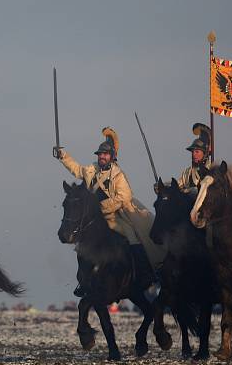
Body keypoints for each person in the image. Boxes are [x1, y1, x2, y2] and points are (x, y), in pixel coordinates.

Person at [53, 127, 163, 296]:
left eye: (105, 154)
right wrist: (63, 156)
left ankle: (145, 271)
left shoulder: (118, 175)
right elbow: (76, 169)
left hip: (117, 214)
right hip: (97, 217)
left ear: (112, 156)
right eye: (100, 154)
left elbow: (125, 197)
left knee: (133, 236)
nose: (102, 157)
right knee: (83, 240)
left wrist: (104, 206)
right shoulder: (91, 170)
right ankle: (84, 280)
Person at [177, 123, 212, 194]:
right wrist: (164, 187)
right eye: (192, 152)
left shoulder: (212, 169)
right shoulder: (187, 172)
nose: (194, 154)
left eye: (197, 152)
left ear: (205, 153)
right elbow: (176, 187)